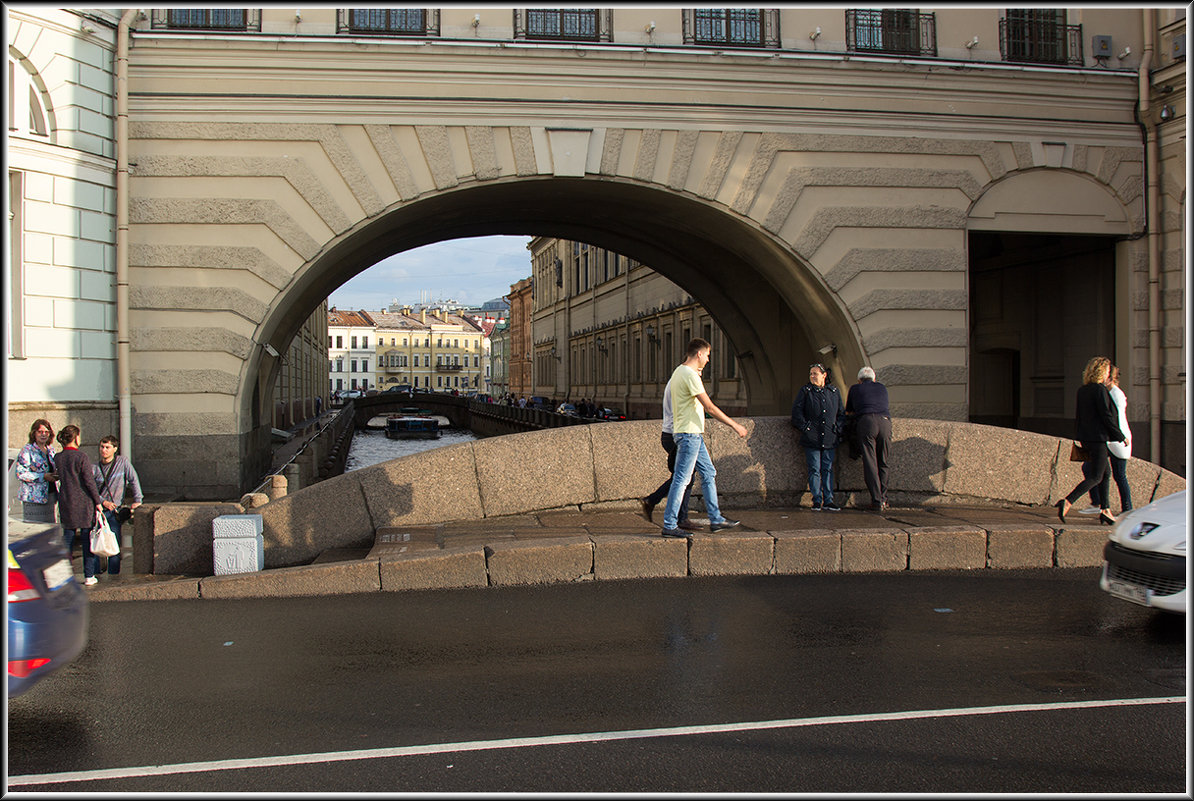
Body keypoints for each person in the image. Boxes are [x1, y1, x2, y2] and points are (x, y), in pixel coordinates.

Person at [659, 338, 748, 538]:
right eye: (707, 355)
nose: (708, 360)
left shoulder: (678, 372)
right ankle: (669, 524)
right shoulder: (690, 375)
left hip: (691, 433)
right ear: (699, 354)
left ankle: (716, 519)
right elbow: (709, 407)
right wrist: (735, 425)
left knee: (708, 472)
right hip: (689, 434)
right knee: (681, 479)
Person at [1055, 356, 1125, 526]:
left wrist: (1079, 437)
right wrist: (1120, 436)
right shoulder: (1099, 390)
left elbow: (1079, 417)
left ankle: (1105, 510)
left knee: (1106, 473)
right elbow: (1106, 416)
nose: (1109, 374)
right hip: (1098, 439)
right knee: (1096, 476)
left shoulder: (1083, 390)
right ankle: (1068, 501)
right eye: (1108, 371)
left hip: (1086, 438)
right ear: (1102, 371)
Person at [640, 380, 696, 529]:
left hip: (671, 434)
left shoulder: (677, 379)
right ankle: (677, 516)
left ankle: (657, 503)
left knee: (685, 475)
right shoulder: (684, 379)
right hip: (676, 435)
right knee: (685, 475)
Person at [54, 425, 105, 586]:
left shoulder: (58, 457)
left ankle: (65, 575)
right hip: (83, 502)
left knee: (67, 539)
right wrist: (98, 501)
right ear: (76, 438)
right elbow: (89, 482)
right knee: (87, 539)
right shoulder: (81, 457)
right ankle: (89, 575)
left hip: (66, 501)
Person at [1079, 365, 1132, 515]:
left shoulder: (1115, 394)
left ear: (1110, 378)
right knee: (1097, 470)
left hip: (1115, 439)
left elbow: (1115, 418)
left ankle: (1125, 508)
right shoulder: (1109, 392)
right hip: (1111, 438)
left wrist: (1120, 437)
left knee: (1117, 474)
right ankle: (1101, 504)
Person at [791, 363, 845, 511]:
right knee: (814, 468)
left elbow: (841, 413)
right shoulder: (806, 391)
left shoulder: (833, 392)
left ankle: (828, 500)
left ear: (824, 375)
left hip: (829, 437)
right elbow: (796, 413)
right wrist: (806, 428)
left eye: (815, 373)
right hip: (812, 437)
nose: (812, 377)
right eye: (811, 374)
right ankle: (817, 499)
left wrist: (837, 428)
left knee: (827, 468)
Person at [92, 435, 144, 577]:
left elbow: (133, 479)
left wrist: (137, 499)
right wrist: (103, 502)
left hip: (115, 510)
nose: (104, 450)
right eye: (102, 447)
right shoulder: (95, 468)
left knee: (114, 543)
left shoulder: (122, 462)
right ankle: (96, 572)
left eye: (107, 447)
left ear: (115, 449)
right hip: (100, 510)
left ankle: (114, 574)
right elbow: (91, 490)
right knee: (96, 542)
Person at [845, 365, 892, 511]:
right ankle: (884, 498)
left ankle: (876, 501)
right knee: (883, 461)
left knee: (870, 462)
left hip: (867, 423)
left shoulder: (855, 389)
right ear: (874, 378)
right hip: (885, 422)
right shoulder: (882, 388)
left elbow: (849, 411)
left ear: (859, 380)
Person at [16, 419, 59, 523]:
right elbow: (20, 474)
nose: (43, 435)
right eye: (40, 432)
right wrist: (43, 476)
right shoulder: (27, 450)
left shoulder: (51, 450)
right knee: (36, 533)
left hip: (50, 496)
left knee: (49, 532)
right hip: (34, 499)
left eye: (46, 432)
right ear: (34, 433)